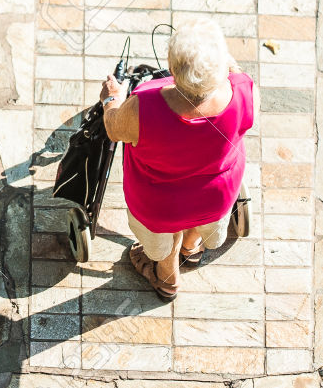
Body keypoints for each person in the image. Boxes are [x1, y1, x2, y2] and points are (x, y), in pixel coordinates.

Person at [99, 17, 255, 300]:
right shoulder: (244, 91)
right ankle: (191, 249)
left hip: (160, 205)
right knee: (201, 220)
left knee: (163, 241)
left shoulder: (142, 107)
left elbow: (113, 129)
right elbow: (236, 75)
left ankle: (168, 279)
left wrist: (112, 99)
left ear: (172, 69)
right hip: (216, 197)